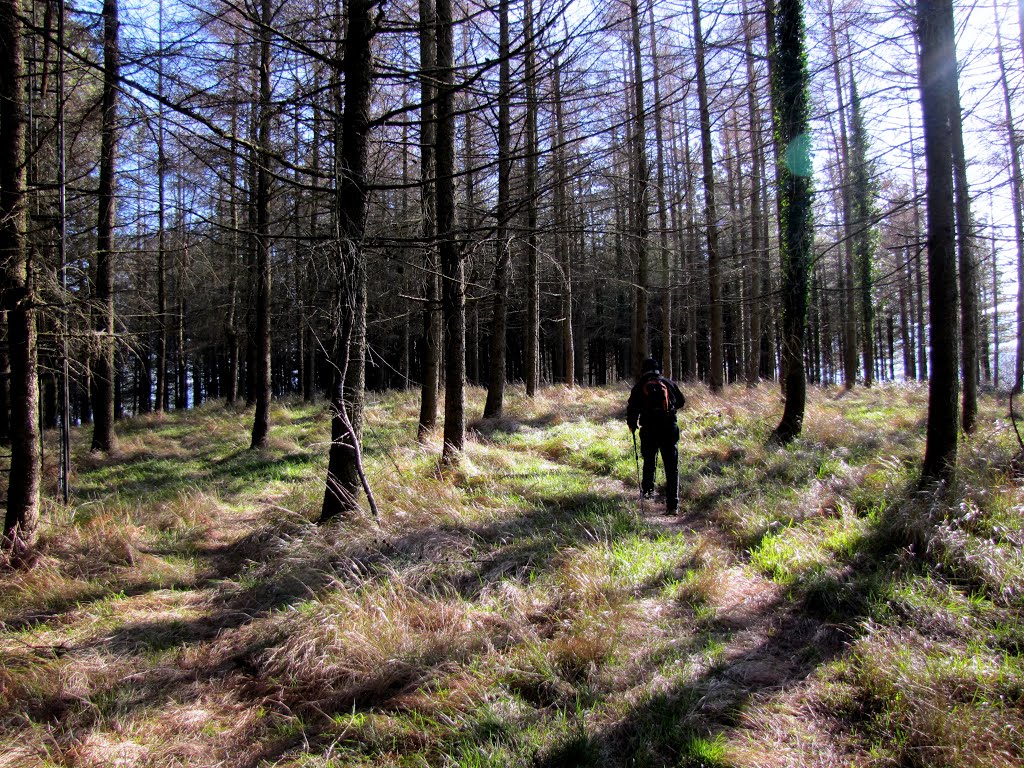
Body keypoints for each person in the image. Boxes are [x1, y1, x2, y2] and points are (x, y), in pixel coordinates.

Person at [627, 357, 685, 515]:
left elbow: (632, 409)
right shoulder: (669, 383)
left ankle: (647, 495)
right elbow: (681, 402)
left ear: (643, 371)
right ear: (659, 369)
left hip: (649, 429)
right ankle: (673, 505)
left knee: (649, 461)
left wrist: (632, 425)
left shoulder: (639, 386)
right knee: (671, 467)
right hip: (669, 428)